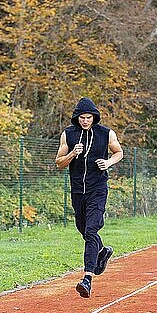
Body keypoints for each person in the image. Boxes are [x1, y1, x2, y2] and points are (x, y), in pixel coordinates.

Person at [55, 97, 124, 298]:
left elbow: (119, 152)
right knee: (84, 229)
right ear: (77, 118)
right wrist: (72, 155)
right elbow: (59, 163)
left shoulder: (106, 133)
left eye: (89, 117)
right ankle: (101, 252)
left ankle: (87, 278)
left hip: (98, 189)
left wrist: (108, 162)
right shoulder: (68, 134)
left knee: (92, 229)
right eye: (82, 117)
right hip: (78, 190)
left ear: (94, 117)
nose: (85, 121)